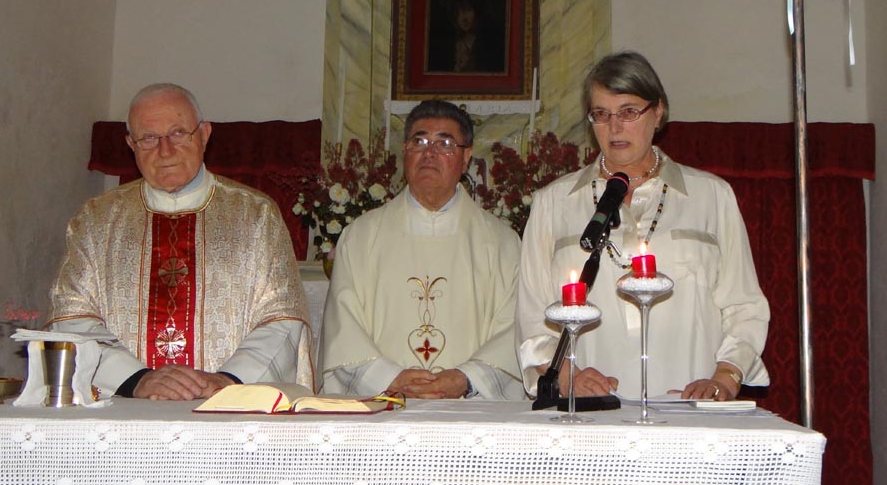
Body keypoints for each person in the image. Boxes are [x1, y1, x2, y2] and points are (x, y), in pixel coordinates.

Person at [516, 51, 770, 401]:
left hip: (690, 407)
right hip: (591, 411)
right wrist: (563, 377)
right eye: (601, 114)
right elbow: (531, 316)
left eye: (629, 112)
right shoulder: (553, 203)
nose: (614, 127)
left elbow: (744, 306)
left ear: (659, 111)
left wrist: (726, 377)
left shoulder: (712, 196)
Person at [47, 83, 313, 400]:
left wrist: (228, 380)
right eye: (149, 138)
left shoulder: (256, 214)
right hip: (123, 408)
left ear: (204, 134)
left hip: (226, 410)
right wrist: (135, 379)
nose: (165, 150)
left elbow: (281, 318)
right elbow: (71, 315)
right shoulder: (96, 220)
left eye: (178, 133)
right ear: (130, 144)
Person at [319, 100, 524, 400]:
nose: (429, 153)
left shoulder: (503, 243)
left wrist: (467, 379)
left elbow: (514, 330)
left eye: (445, 143)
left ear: (466, 158)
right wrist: (389, 378)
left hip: (468, 414)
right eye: (420, 141)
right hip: (383, 409)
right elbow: (343, 329)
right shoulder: (361, 236)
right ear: (405, 151)